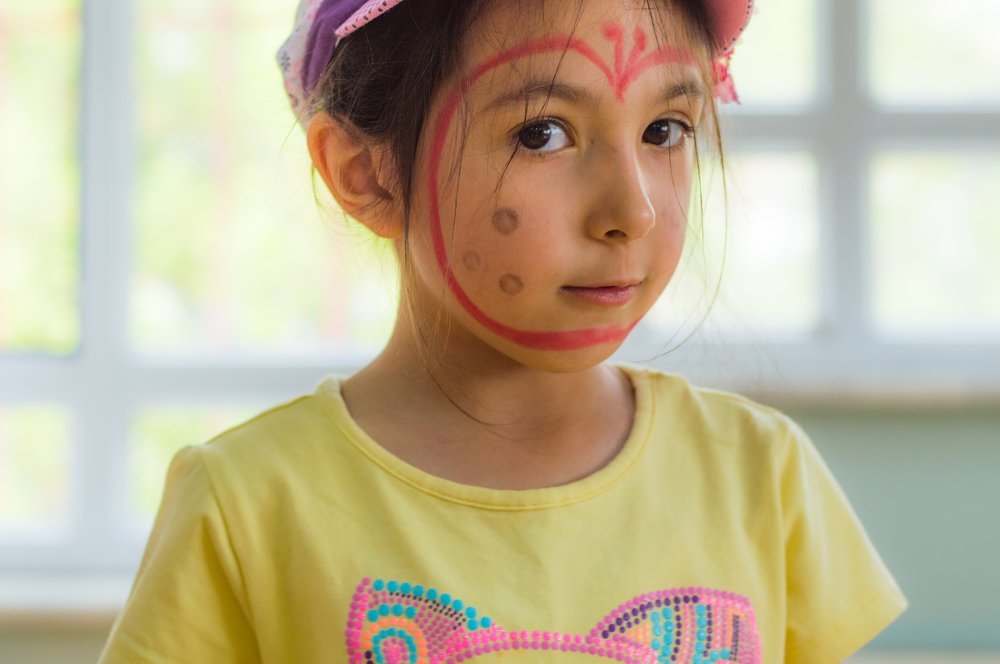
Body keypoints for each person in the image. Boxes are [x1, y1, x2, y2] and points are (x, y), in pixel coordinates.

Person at [100, 0, 907, 662]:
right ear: (364, 173)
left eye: (667, 130)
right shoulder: (247, 506)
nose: (634, 210)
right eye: (542, 134)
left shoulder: (763, 478)